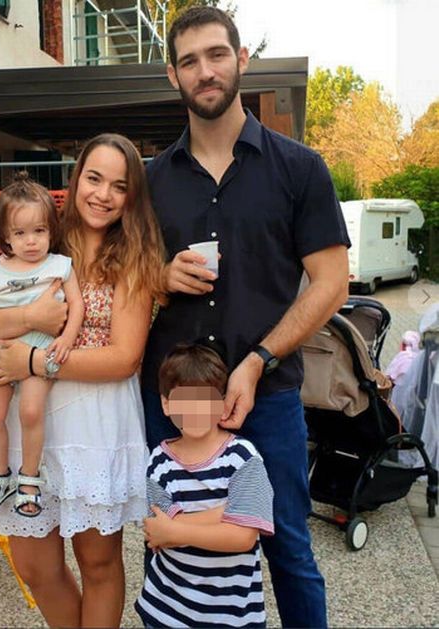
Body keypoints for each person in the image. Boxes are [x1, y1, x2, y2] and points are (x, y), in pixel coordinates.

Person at [140, 7, 350, 628]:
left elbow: (331, 282)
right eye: (188, 61)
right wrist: (158, 276)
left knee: (286, 545)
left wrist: (258, 361)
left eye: (216, 54)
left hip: (269, 394)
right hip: (172, 399)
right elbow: (117, 274)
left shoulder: (299, 168)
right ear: (172, 76)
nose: (204, 71)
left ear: (241, 60)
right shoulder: (151, 181)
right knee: (170, 539)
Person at [0, 133, 167, 628]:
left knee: (96, 560)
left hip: (96, 417)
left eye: (119, 186)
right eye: (93, 178)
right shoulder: (40, 238)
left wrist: (34, 361)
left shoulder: (135, 256)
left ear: (132, 196)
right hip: (29, 413)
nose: (103, 194)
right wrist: (30, 315)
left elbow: (123, 357)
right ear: (75, 181)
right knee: (34, 564)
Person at [0, 173, 84, 517]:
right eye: (20, 233)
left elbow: (77, 305)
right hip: (5, 353)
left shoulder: (59, 266)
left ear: (51, 231)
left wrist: (67, 338)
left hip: (40, 352)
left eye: (39, 231)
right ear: (5, 238)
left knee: (30, 411)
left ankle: (29, 480)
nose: (31, 241)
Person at [135, 342, 274, 628]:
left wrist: (177, 529)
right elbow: (160, 532)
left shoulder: (243, 458)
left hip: (230, 614)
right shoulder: (159, 460)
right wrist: (229, 514)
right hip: (165, 607)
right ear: (166, 404)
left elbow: (243, 538)